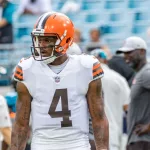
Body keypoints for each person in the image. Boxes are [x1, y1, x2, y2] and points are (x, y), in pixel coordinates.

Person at [10, 12, 109, 150]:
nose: (41, 45)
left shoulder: (86, 67)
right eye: (39, 39)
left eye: (48, 40)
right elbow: (21, 124)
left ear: (66, 40)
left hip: (77, 145)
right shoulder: (27, 69)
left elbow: (98, 118)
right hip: (42, 145)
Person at [89, 49, 130, 150]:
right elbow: (127, 107)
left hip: (91, 136)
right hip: (113, 134)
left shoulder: (86, 78)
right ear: (106, 61)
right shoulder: (118, 78)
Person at [116, 36, 150, 150]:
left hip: (143, 141)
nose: (125, 56)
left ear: (142, 51)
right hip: (137, 140)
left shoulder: (146, 73)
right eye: (124, 53)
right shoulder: (140, 74)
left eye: (129, 52)